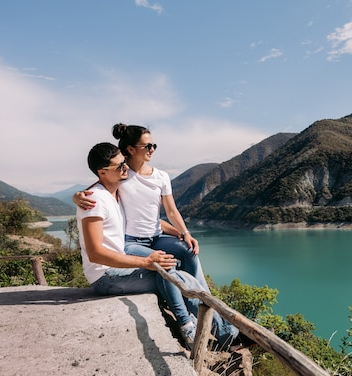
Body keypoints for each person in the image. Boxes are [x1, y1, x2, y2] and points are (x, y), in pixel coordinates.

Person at [77, 142, 240, 349]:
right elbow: (95, 253)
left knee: (181, 274)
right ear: (102, 173)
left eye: (124, 163)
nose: (126, 168)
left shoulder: (115, 194)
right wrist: (147, 261)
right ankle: (191, 327)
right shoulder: (95, 201)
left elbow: (150, 222)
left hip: (119, 269)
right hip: (105, 277)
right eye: (119, 167)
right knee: (169, 272)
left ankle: (225, 332)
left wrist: (182, 233)